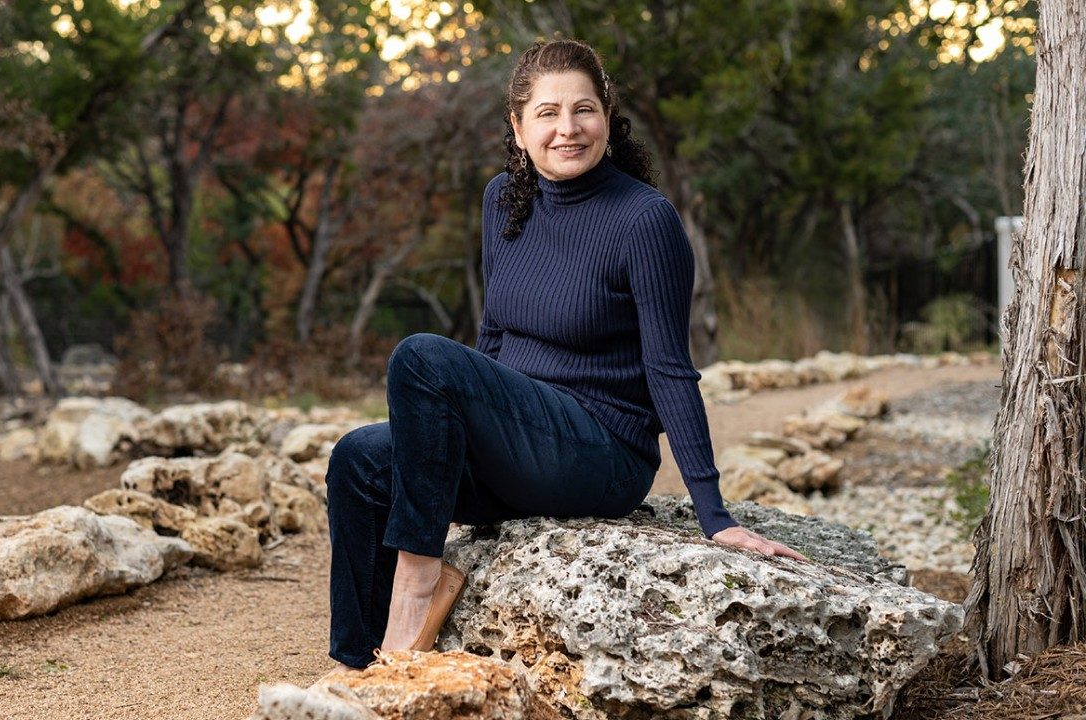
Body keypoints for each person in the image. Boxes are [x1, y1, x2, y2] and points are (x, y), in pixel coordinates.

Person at [324, 38, 804, 672]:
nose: (568, 129)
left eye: (584, 110)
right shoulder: (503, 201)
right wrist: (454, 437)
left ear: (608, 117)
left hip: (599, 451)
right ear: (518, 128)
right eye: (547, 113)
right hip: (519, 446)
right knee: (358, 460)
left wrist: (714, 515)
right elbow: (494, 337)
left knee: (421, 356)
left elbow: (668, 368)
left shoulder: (644, 219)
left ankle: (418, 582)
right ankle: (363, 672)